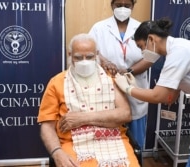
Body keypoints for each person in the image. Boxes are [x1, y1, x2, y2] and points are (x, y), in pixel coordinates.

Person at [114, 17, 190, 166]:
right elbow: (170, 98)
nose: (142, 52)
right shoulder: (177, 51)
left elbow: (158, 96)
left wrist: (128, 89)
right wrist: (137, 88)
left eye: (141, 46)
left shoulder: (179, 53)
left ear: (151, 39)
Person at [37, 33, 140, 167]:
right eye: (78, 57)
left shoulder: (111, 78)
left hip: (113, 139)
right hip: (73, 143)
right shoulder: (56, 82)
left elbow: (125, 114)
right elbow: (47, 126)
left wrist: (82, 118)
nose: (84, 61)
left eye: (90, 57)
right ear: (70, 55)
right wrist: (57, 152)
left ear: (97, 55)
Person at [89, 0, 152, 150]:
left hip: (135, 87)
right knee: (109, 142)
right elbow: (91, 51)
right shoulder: (99, 28)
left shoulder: (142, 28)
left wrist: (128, 71)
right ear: (112, 5)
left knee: (135, 144)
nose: (122, 8)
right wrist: (104, 62)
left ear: (133, 6)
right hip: (108, 88)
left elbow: (151, 56)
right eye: (118, 5)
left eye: (127, 5)